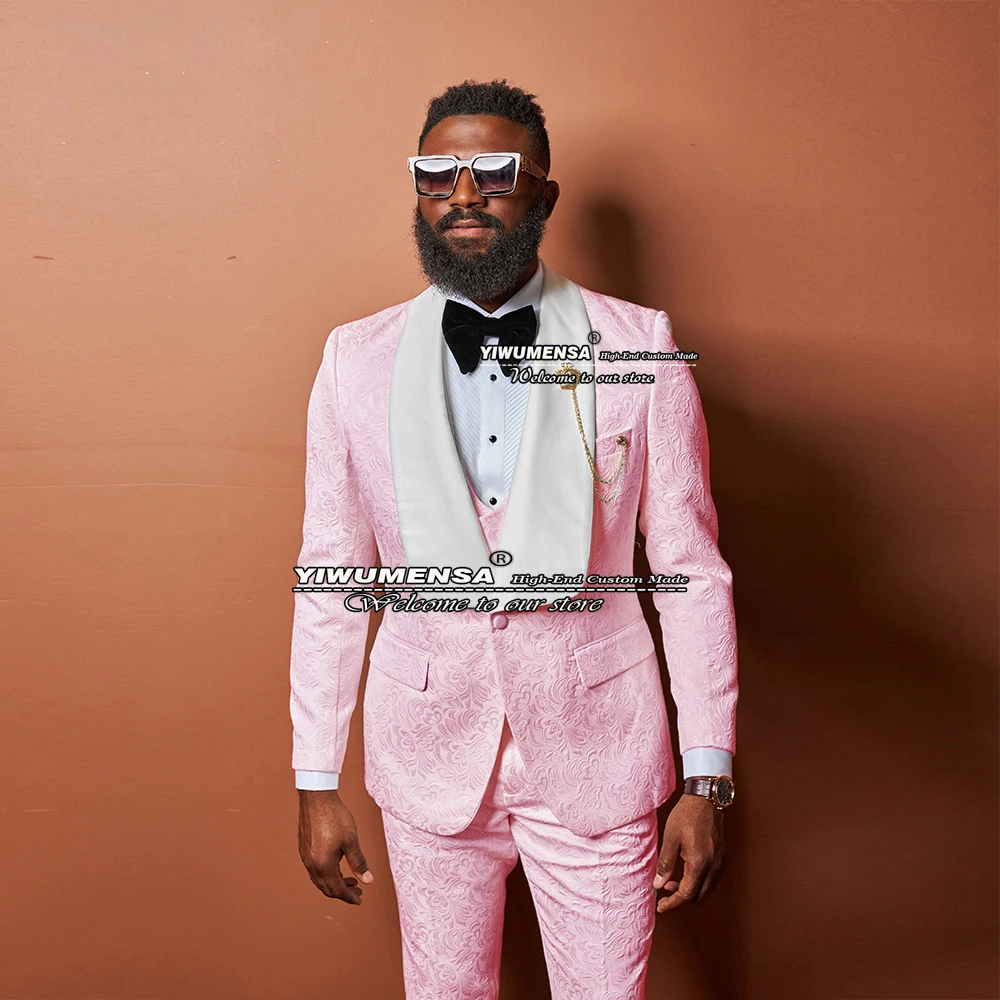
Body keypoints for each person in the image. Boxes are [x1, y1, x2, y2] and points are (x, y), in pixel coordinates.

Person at [290, 78, 738, 1000]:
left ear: (544, 194)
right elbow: (333, 577)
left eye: (494, 172)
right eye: (436, 175)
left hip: (602, 750)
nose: (462, 195)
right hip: (427, 755)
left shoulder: (640, 346)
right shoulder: (353, 360)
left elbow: (691, 572)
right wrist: (315, 774)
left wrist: (708, 777)